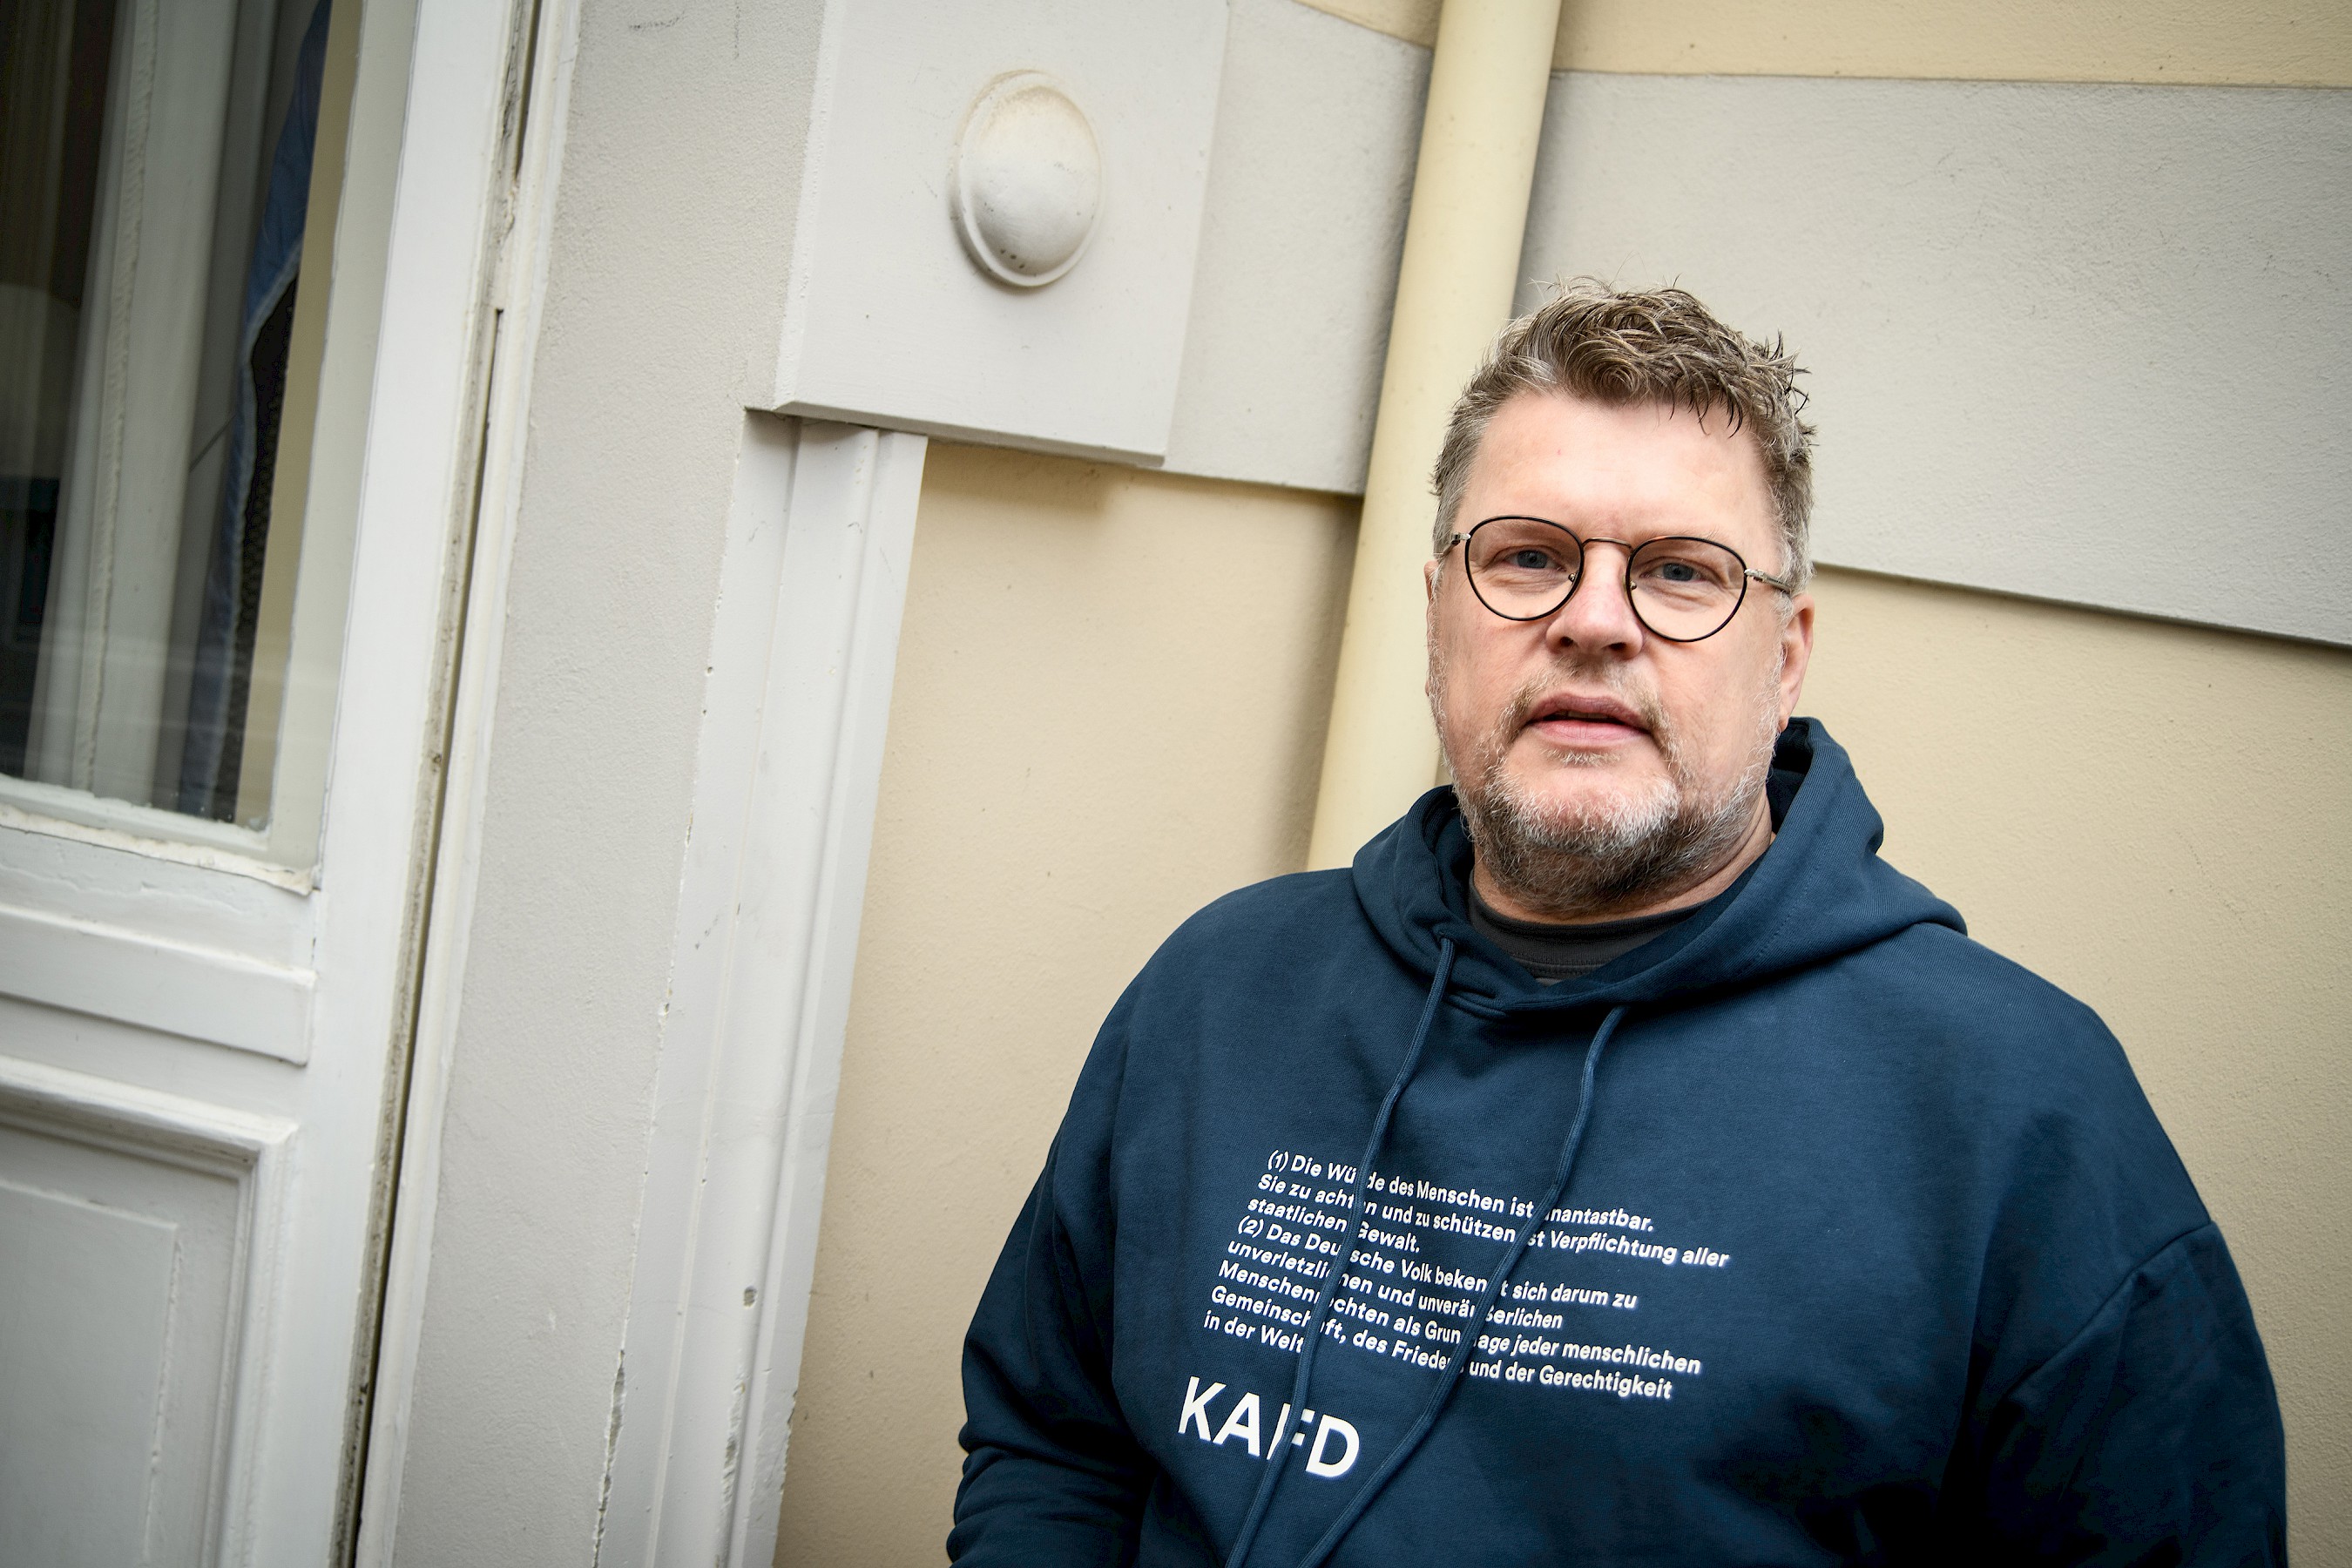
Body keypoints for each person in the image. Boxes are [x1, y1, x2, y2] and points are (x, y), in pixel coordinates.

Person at [949, 283, 2285, 1566]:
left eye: (1681, 572)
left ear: (1786, 656)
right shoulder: (1217, 989)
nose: (1593, 622)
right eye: (1528, 557)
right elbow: (1054, 1441)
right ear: (1437, 613)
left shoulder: (2022, 1115)